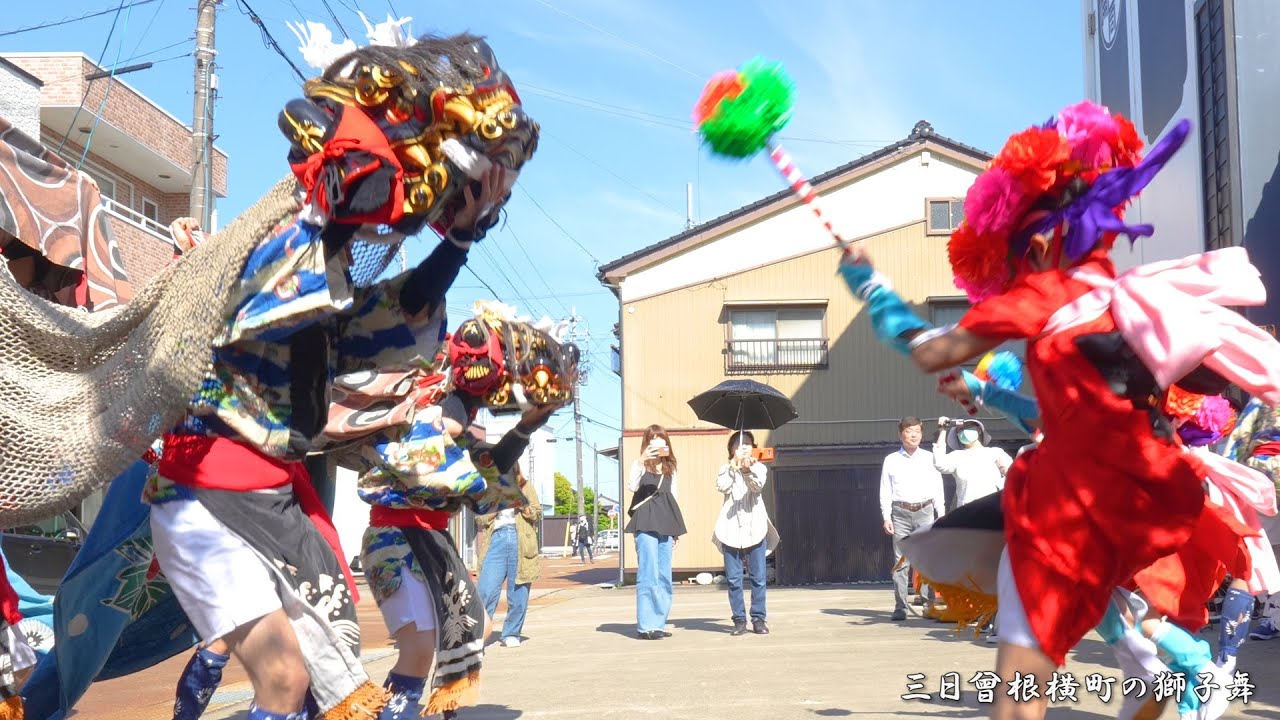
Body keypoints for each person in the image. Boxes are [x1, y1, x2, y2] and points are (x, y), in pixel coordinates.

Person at [841, 100, 1280, 720]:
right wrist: (986, 392)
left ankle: (1174, 676)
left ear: (1044, 241)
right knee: (1122, 633)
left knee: (1022, 683)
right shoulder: (1124, 295)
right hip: (1136, 504)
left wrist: (869, 287)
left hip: (1064, 512)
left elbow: (930, 348)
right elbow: (1067, 408)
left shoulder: (1046, 291)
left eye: (1017, 254)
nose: (1014, 270)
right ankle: (1168, 680)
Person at [714, 431, 780, 636]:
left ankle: (759, 619)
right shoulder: (725, 469)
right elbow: (722, 487)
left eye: (748, 445)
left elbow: (757, 487)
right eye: (739, 445)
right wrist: (734, 467)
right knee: (733, 579)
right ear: (731, 450)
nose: (743, 448)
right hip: (730, 528)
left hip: (755, 527)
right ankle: (739, 620)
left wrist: (746, 470)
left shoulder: (759, 468)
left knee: (758, 577)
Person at [624, 425, 687, 640]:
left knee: (664, 576)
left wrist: (676, 531)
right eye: (654, 439)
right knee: (648, 573)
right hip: (645, 521)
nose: (658, 443)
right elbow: (632, 486)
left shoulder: (671, 469)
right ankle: (646, 625)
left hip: (667, 522)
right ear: (647, 443)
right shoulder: (640, 465)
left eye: (662, 439)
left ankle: (658, 623)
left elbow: (674, 498)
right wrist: (641, 461)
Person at [880, 417, 946, 621]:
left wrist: (940, 515)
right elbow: (885, 490)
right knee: (901, 561)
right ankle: (901, 606)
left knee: (926, 560)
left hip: (925, 510)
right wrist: (886, 516)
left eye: (917, 431)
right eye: (909, 431)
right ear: (901, 434)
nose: (914, 434)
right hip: (900, 513)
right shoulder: (891, 459)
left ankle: (928, 605)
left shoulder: (929, 458)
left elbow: (938, 488)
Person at [476, 463, 543, 648]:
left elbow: (537, 513)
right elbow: (479, 518)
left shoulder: (526, 486)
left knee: (518, 591)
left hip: (520, 538)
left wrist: (521, 505)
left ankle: (512, 633)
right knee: (486, 590)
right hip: (496, 539)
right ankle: (479, 636)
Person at [932, 418, 1011, 508]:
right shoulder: (956, 456)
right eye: (960, 429)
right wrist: (943, 430)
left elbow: (1013, 476)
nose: (964, 431)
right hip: (967, 509)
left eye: (968, 427)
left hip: (993, 508)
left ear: (979, 430)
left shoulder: (996, 452)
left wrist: (1003, 469)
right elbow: (939, 464)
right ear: (957, 435)